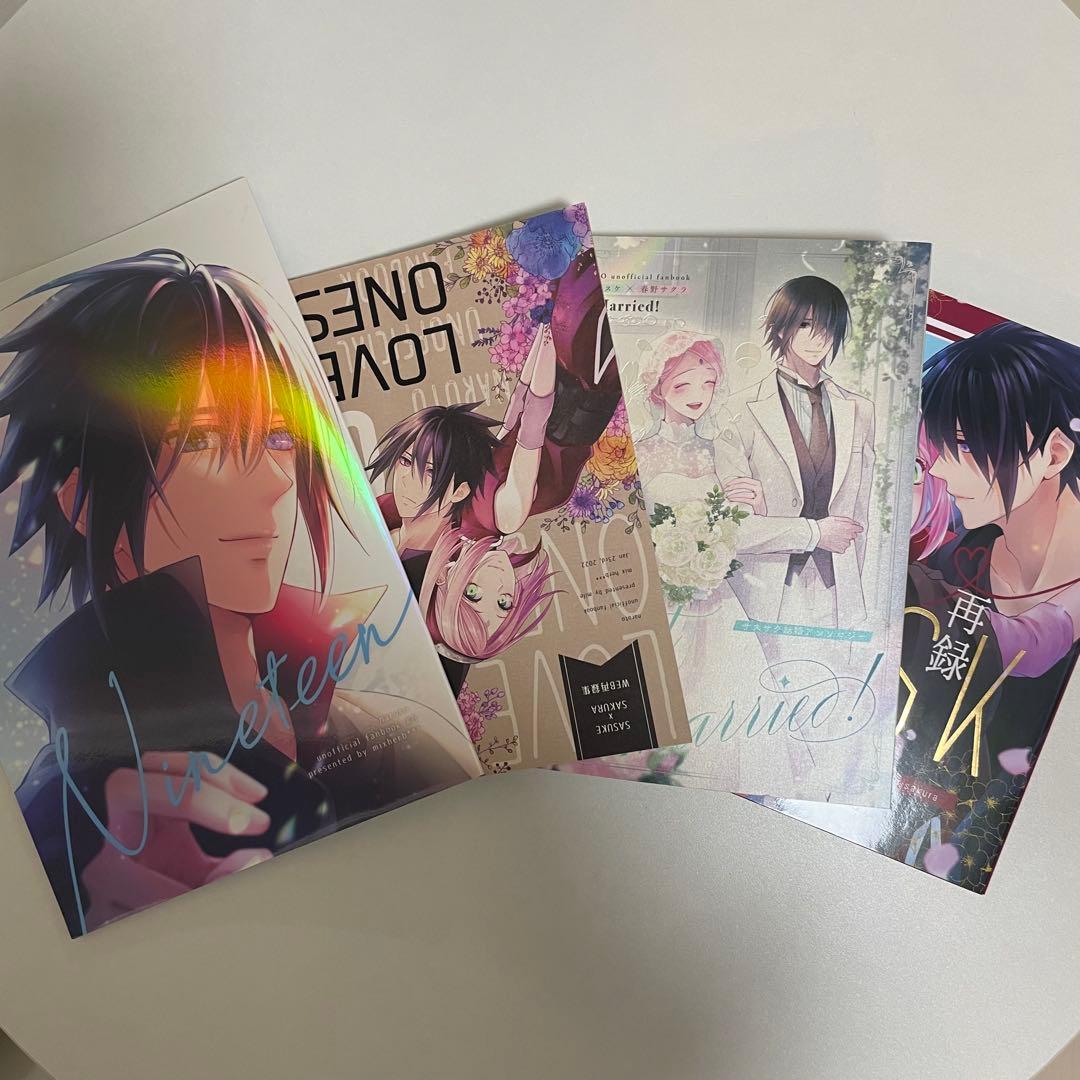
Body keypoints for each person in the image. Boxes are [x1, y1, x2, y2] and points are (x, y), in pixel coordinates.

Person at [0, 250, 480, 934]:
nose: (275, 480)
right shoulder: (64, 823)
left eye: (278, 436)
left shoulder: (387, 734)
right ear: (82, 499)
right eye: (201, 439)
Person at [716, 276, 874, 634]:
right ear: (780, 327)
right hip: (767, 590)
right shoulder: (738, 410)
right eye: (805, 324)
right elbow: (732, 527)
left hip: (838, 591)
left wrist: (854, 589)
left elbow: (862, 513)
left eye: (828, 326)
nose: (818, 337)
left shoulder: (860, 411)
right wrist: (814, 533)